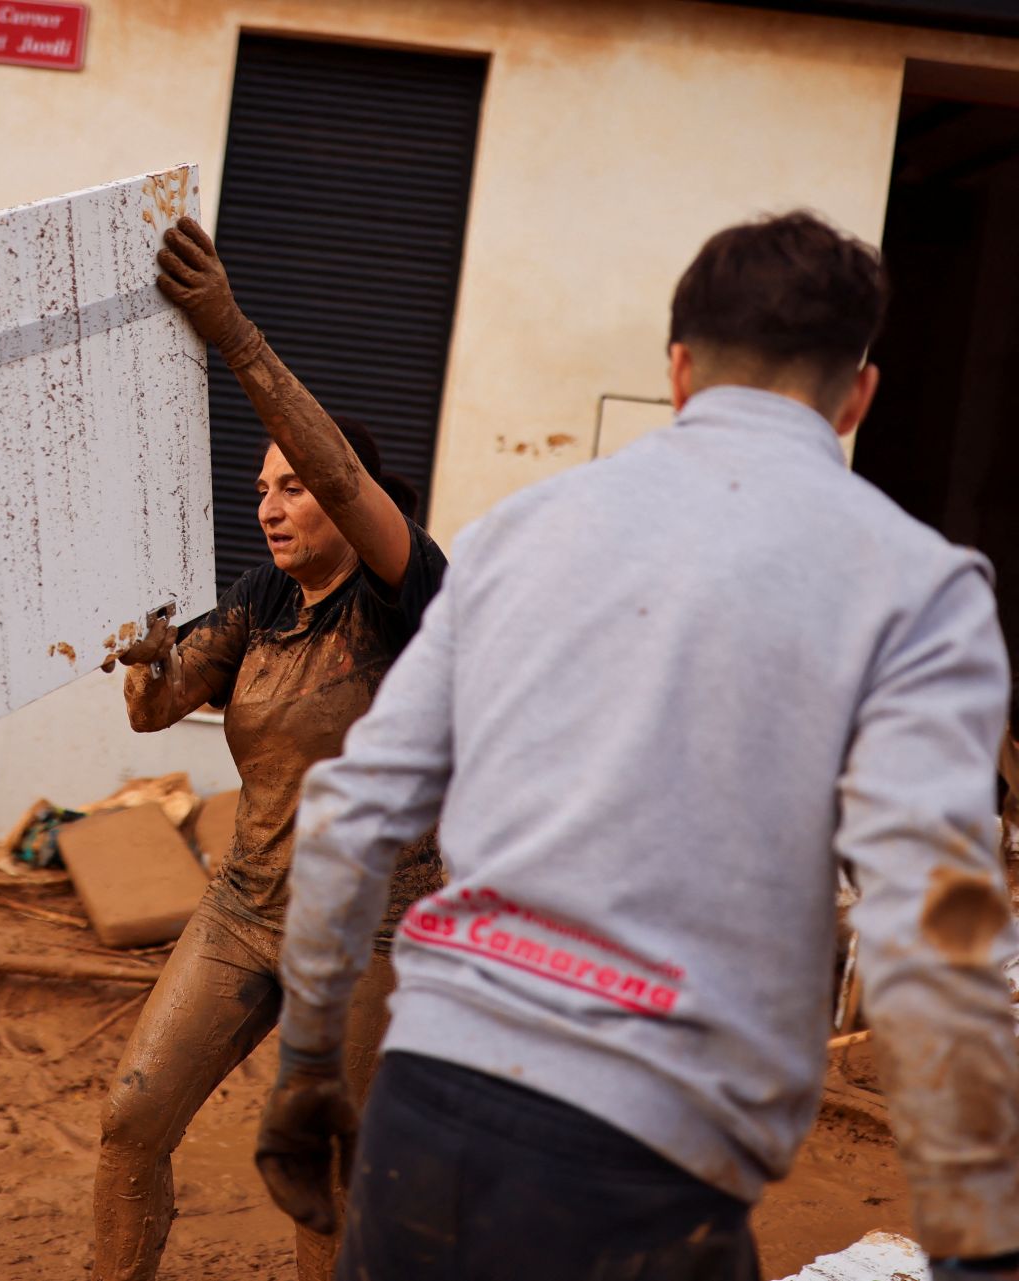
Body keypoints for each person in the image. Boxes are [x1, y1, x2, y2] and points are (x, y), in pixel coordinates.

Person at [269, 210, 1019, 1280]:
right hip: (643, 1168)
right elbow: (930, 928)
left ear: (677, 371)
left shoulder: (516, 534)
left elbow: (350, 811)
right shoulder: (917, 589)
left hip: (423, 1118)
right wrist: (976, 1245)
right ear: (859, 397)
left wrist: (306, 1069)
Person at [91, 217, 448, 1281]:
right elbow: (156, 713)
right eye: (260, 491)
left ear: (347, 499)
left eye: (292, 487)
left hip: (368, 934)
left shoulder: (407, 594)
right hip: (245, 912)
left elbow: (341, 474)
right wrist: (144, 659)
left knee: (323, 1187)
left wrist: (229, 331)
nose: (272, 506)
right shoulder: (262, 603)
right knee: (128, 1123)